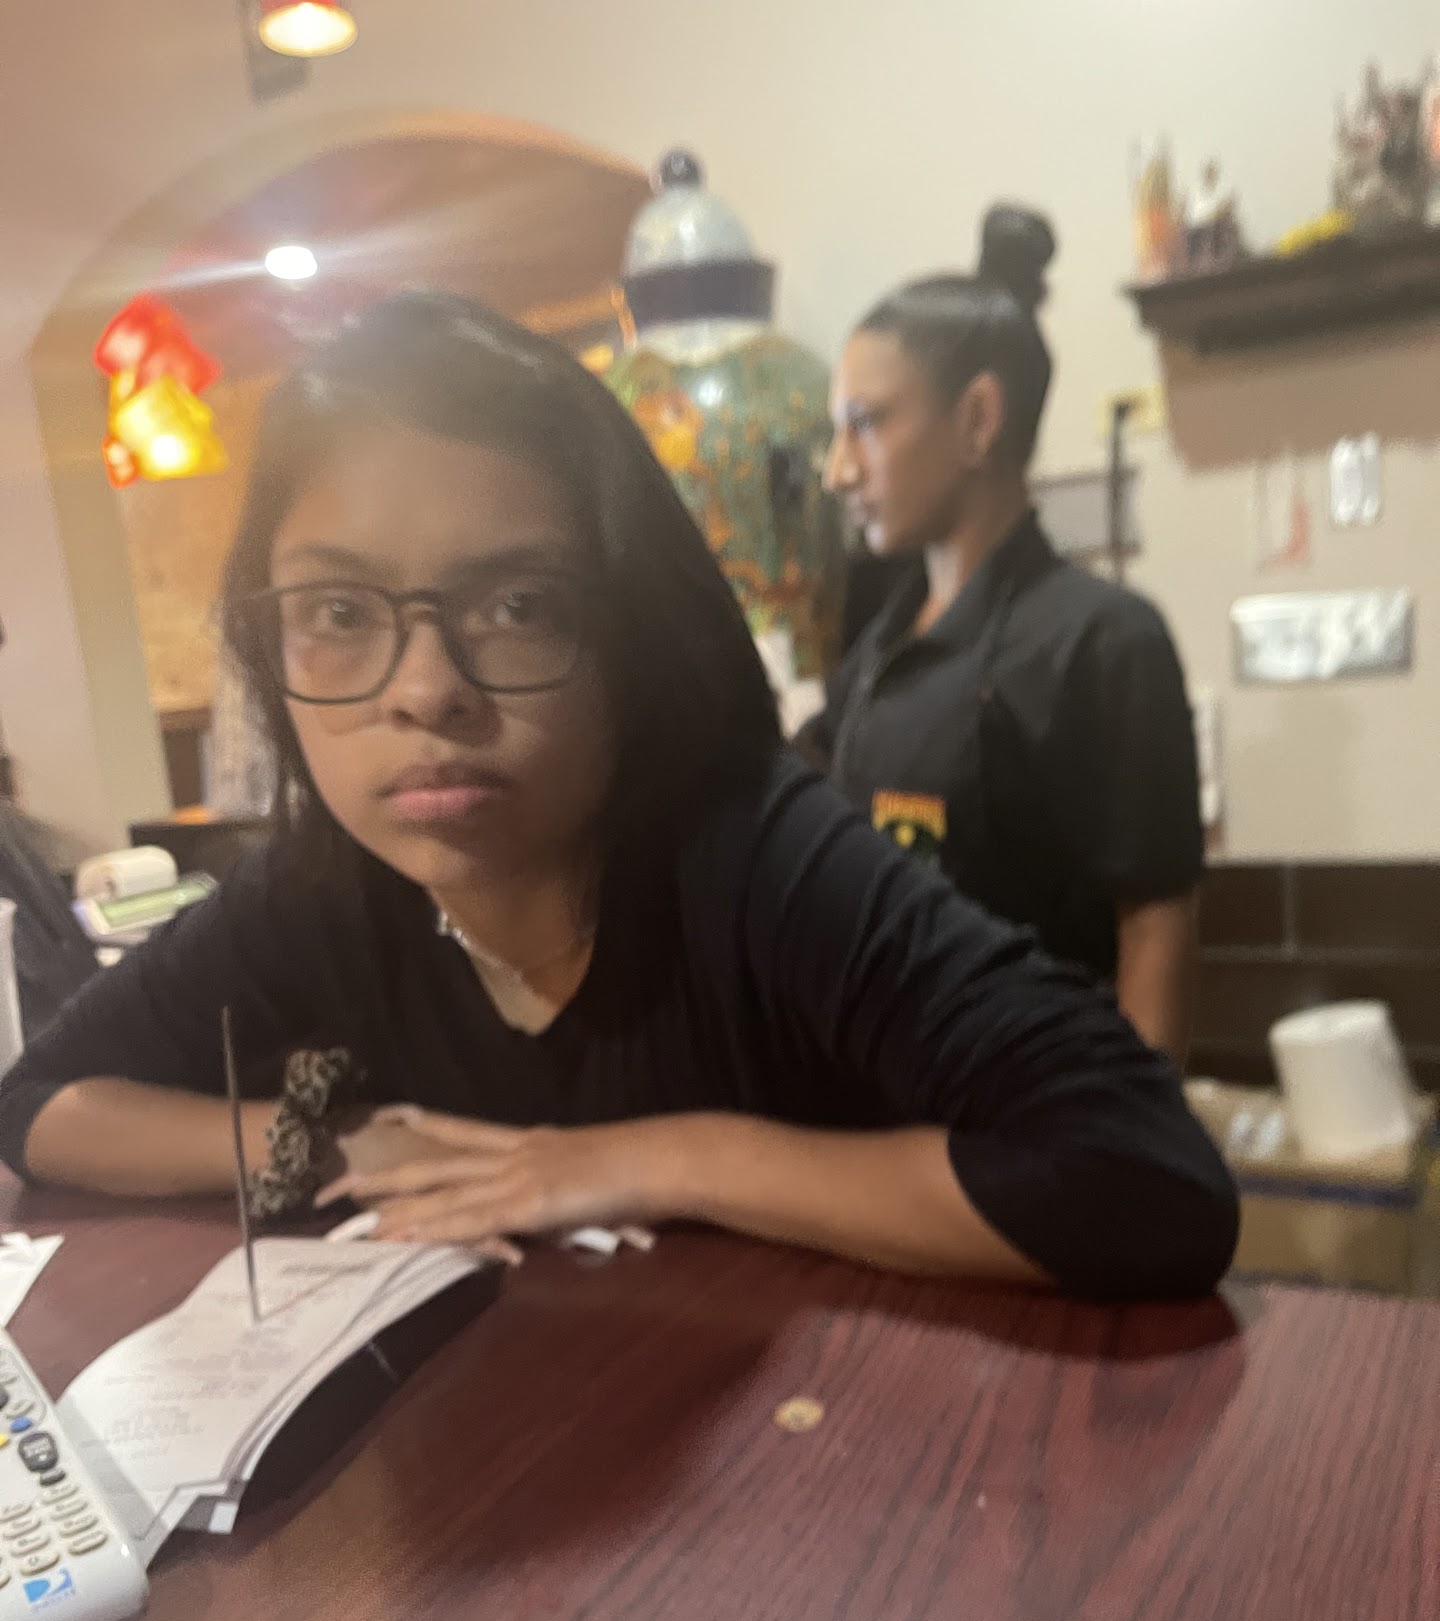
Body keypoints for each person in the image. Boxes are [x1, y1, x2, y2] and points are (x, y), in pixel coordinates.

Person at [0, 293, 1237, 1302]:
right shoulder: (326, 882)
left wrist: (661, 1156)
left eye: (518, 605)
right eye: (336, 610)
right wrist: (332, 1141)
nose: (425, 691)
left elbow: (1146, 1174)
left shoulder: (749, 850)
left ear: (632, 638)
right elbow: (39, 1107)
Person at [798, 207, 1204, 1062]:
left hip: (1036, 1105)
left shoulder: (1104, 642)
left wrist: (1136, 1128)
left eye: (865, 423)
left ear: (978, 419)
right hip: (885, 1093)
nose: (838, 470)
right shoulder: (878, 650)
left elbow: (1154, 924)